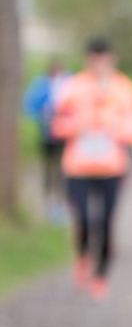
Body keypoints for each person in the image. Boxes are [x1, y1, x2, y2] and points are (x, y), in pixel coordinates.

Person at [51, 37, 132, 301]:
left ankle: (101, 275)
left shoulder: (125, 88)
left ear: (112, 60)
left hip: (111, 168)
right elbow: (57, 123)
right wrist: (76, 127)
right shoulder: (73, 87)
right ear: (88, 60)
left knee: (105, 222)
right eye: (95, 60)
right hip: (78, 167)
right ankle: (82, 255)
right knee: (82, 219)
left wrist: (113, 128)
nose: (100, 64)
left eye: (105, 60)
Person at [22, 59, 70, 225]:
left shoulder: (69, 82)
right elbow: (29, 105)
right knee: (48, 169)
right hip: (47, 135)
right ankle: (49, 202)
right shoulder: (41, 85)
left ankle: (61, 202)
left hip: (65, 135)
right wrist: (43, 114)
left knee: (63, 169)